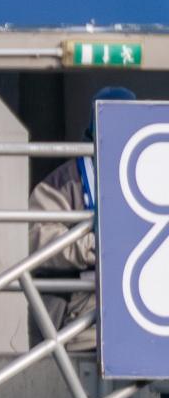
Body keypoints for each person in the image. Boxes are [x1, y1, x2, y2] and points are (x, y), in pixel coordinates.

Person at [27, 87, 134, 351]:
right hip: (83, 322)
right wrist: (93, 246)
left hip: (147, 321)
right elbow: (34, 237)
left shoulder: (155, 174)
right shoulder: (66, 181)